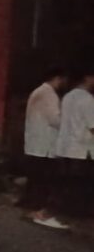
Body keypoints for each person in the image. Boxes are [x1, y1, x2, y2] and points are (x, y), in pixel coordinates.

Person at [17, 67, 69, 229]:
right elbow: (55, 119)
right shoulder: (49, 94)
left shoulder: (39, 91)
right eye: (63, 79)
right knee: (43, 181)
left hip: (36, 144)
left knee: (35, 179)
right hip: (44, 145)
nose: (65, 83)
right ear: (58, 78)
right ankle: (39, 213)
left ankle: (32, 210)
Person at [53, 65, 94, 219]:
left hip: (66, 147)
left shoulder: (68, 97)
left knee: (68, 183)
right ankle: (78, 214)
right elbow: (92, 126)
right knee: (81, 185)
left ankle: (66, 212)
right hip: (82, 149)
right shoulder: (88, 99)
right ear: (88, 78)